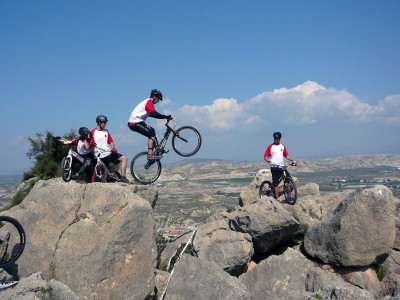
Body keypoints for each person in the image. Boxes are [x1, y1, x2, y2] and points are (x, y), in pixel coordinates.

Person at [128, 89, 172, 160]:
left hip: (139, 122)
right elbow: (154, 114)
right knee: (151, 133)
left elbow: (151, 114)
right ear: (155, 97)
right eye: (158, 99)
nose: (158, 102)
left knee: (152, 130)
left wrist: (163, 117)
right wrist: (165, 116)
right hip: (134, 123)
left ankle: (158, 150)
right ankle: (150, 155)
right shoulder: (148, 102)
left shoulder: (148, 103)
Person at [90, 115, 130, 183]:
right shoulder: (93, 132)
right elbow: (90, 143)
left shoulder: (106, 131)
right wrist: (91, 144)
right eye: (104, 123)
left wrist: (113, 148)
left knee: (124, 158)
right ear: (99, 123)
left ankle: (123, 177)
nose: (105, 124)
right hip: (99, 156)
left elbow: (110, 141)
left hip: (108, 153)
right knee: (104, 177)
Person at [263, 132, 296, 199]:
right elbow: (265, 156)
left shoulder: (282, 146)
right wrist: (269, 161)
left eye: (277, 138)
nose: (275, 139)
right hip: (274, 167)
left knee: (289, 181)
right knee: (276, 183)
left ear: (279, 138)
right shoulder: (270, 147)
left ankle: (289, 197)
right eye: (274, 138)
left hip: (281, 166)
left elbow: (286, 155)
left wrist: (292, 160)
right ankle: (277, 198)